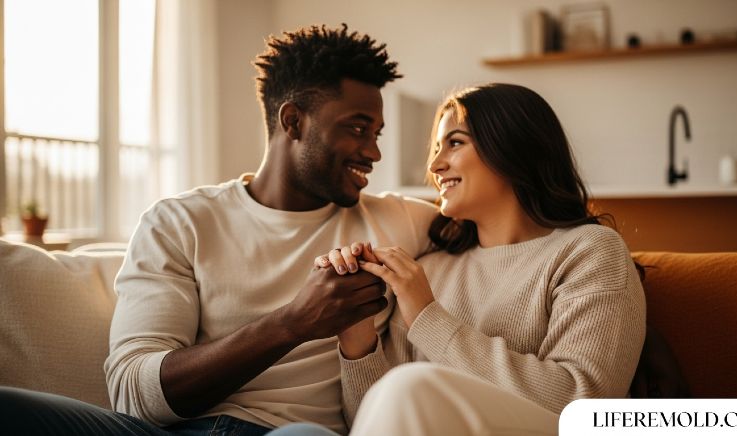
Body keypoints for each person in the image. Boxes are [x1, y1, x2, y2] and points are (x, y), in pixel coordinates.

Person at [0, 24, 438, 435]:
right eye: (358, 129)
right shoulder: (179, 221)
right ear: (292, 122)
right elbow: (133, 392)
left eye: (377, 133)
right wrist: (295, 322)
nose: (373, 152)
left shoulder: (400, 220)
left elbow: (491, 215)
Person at [317, 83, 647, 436]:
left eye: (455, 143)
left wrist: (428, 317)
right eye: (437, 147)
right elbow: (378, 420)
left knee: (410, 386)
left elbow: (585, 403)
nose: (435, 165)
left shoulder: (590, 251)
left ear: (513, 146)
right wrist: (358, 341)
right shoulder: (429, 270)